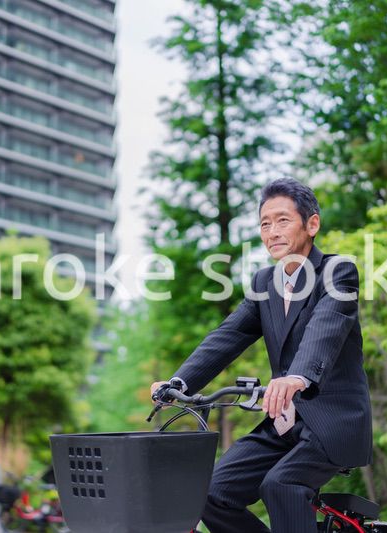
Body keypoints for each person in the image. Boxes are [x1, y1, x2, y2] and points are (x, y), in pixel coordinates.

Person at [150, 178, 372, 533]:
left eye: (282, 220)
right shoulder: (263, 283)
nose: (272, 231)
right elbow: (230, 335)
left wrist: (297, 376)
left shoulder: (337, 271)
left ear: (311, 224)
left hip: (332, 421)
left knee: (280, 485)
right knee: (208, 493)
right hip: (283, 424)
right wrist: (179, 382)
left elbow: (325, 329)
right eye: (264, 223)